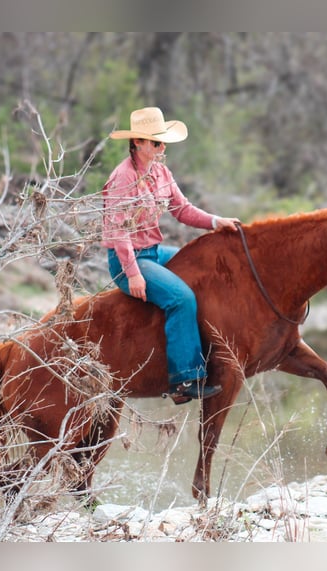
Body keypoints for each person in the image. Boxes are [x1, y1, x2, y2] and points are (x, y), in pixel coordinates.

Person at [101, 107, 240, 405]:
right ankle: (184, 379)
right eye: (156, 143)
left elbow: (182, 209)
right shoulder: (123, 178)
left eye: (163, 142)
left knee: (203, 271)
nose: (162, 148)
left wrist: (217, 221)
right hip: (129, 260)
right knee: (181, 298)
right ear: (137, 142)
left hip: (153, 252)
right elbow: (117, 231)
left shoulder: (161, 172)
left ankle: (219, 353)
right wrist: (133, 273)